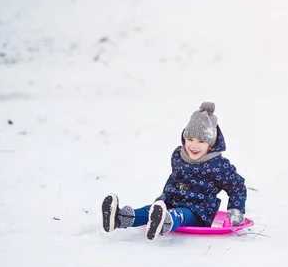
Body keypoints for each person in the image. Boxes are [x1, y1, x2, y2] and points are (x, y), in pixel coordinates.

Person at [101, 102, 247, 240]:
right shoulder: (179, 156)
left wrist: (236, 210)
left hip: (198, 211)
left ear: (211, 145)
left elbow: (237, 186)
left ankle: (163, 222)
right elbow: (174, 179)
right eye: (190, 139)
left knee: (182, 214)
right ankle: (119, 218)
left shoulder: (219, 165)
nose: (193, 146)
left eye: (201, 141)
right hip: (172, 200)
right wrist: (164, 198)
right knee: (148, 211)